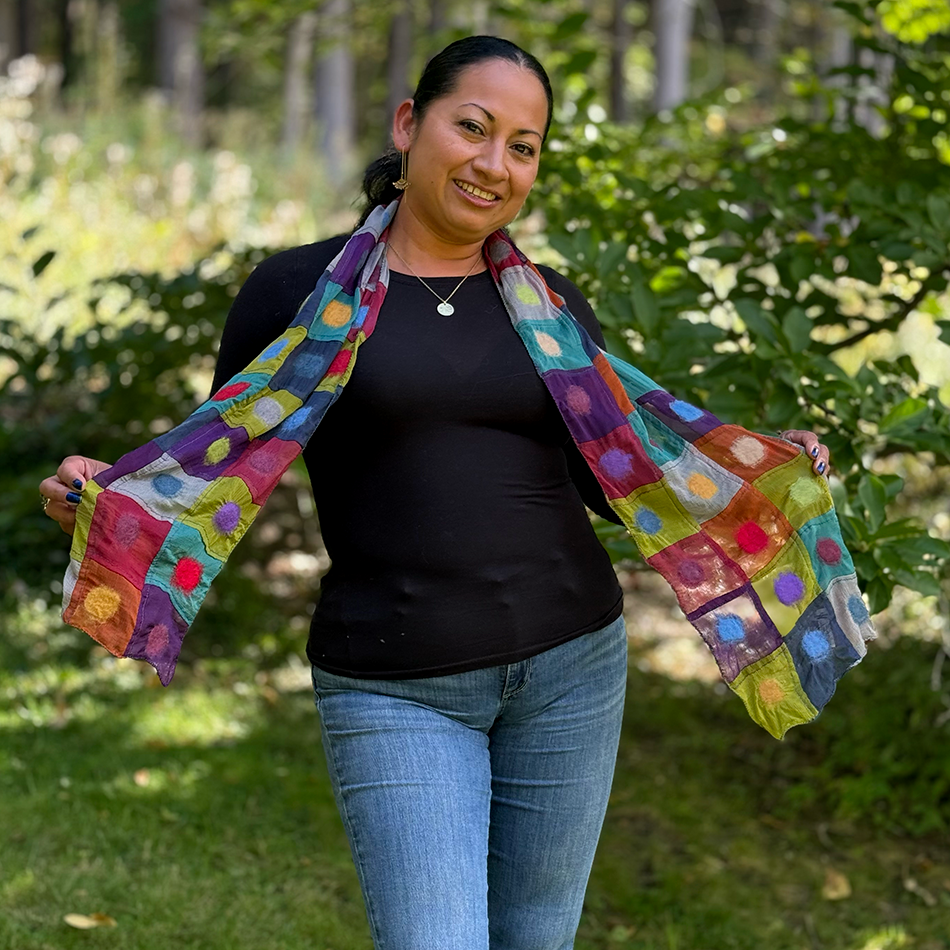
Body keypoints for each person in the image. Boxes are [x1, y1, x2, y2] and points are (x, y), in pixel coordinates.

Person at [40, 36, 831, 950]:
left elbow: (616, 477)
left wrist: (758, 475)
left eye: (524, 146)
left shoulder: (554, 308)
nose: (495, 164)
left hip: (572, 669)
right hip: (394, 681)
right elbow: (219, 462)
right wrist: (107, 497)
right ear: (410, 124)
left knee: (538, 940)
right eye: (474, 127)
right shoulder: (298, 294)